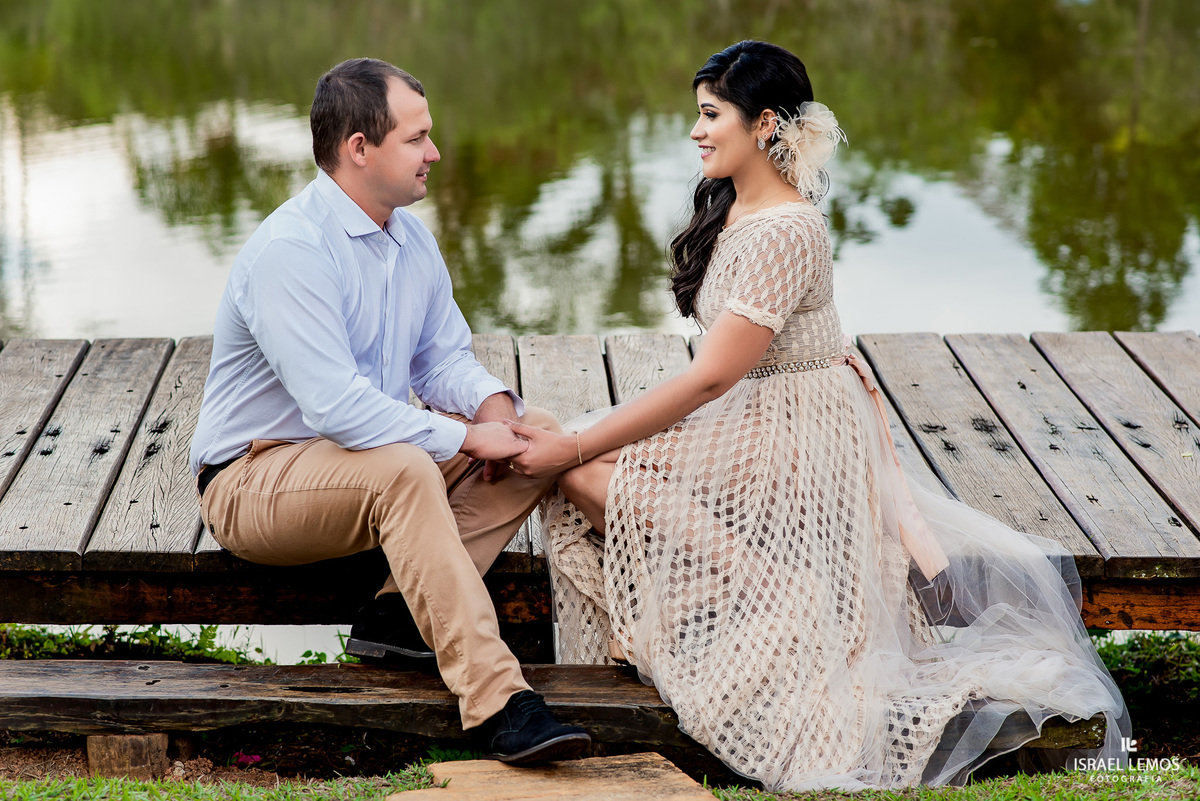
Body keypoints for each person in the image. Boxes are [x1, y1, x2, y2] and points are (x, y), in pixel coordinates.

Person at [506, 41, 1128, 790]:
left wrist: (574, 443)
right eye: (696, 116)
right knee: (560, 438)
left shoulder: (788, 229)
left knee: (576, 458)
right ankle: (740, 584)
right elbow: (719, 379)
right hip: (752, 412)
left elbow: (710, 378)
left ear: (765, 122)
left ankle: (771, 590)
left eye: (711, 116)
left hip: (793, 434)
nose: (697, 132)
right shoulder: (734, 203)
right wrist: (572, 437)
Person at [189, 57, 590, 764]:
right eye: (417, 138)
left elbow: (441, 362)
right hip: (253, 479)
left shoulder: (409, 236)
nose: (435, 153)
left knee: (540, 437)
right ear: (359, 148)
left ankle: (398, 611)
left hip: (357, 464)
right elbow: (339, 408)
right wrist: (469, 436)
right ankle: (499, 701)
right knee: (407, 468)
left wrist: (497, 412)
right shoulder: (293, 250)